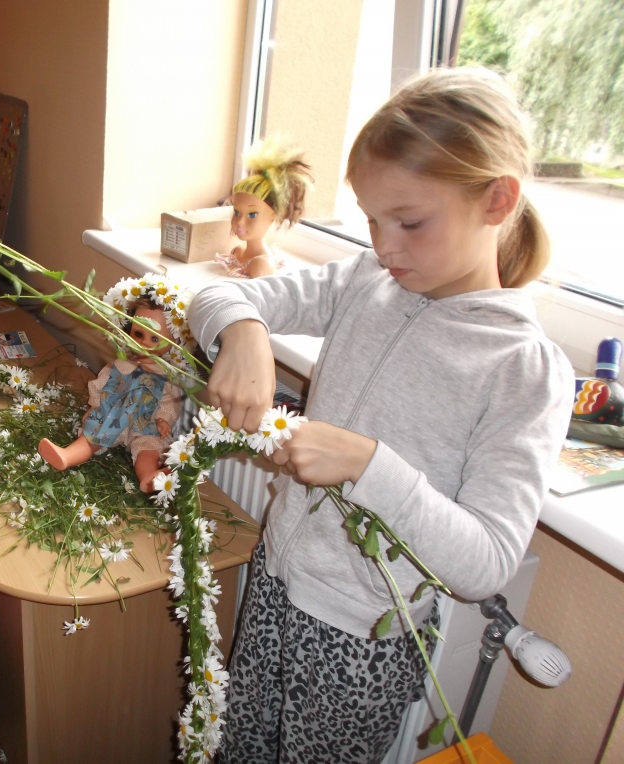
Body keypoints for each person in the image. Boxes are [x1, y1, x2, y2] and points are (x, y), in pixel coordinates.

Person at [189, 68, 574, 763]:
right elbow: (209, 300)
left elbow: (485, 562)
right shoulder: (367, 278)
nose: (385, 245)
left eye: (410, 222)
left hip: (360, 640)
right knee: (236, 748)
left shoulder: (526, 369)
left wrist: (369, 465)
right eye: (371, 220)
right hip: (275, 581)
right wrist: (244, 331)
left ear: (497, 200)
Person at [38, 299, 183, 493]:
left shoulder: (165, 375)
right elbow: (103, 384)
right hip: (115, 414)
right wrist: (95, 405)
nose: (143, 343)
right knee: (94, 433)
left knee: (148, 448)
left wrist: (163, 419)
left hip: (145, 421)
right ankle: (67, 456)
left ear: (174, 341)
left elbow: (170, 401)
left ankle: (148, 478)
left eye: (155, 339)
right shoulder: (122, 364)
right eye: (138, 334)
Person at [216, 136, 313, 279]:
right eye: (236, 212)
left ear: (274, 216)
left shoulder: (262, 265)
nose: (240, 221)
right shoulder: (237, 252)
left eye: (252, 214)